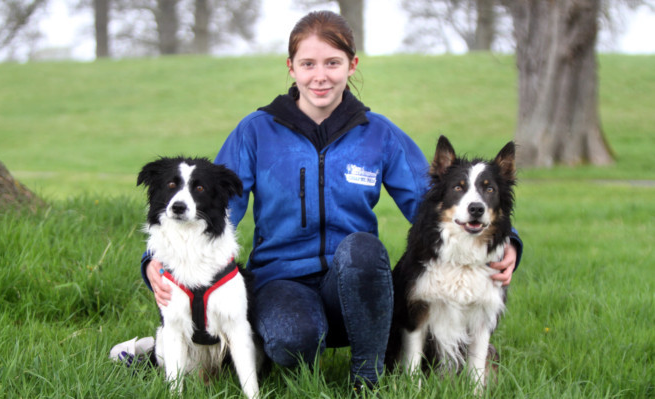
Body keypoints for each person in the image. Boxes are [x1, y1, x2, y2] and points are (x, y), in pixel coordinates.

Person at [136, 10, 522, 394]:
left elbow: (439, 202)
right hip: (280, 280)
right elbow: (212, 210)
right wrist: (155, 261)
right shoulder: (255, 131)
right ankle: (184, 354)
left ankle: (367, 381)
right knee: (291, 340)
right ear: (291, 68)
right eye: (308, 64)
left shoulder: (379, 134)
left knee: (363, 250)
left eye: (333, 63)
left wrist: (508, 243)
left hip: (356, 285)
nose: (320, 76)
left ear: (352, 65)